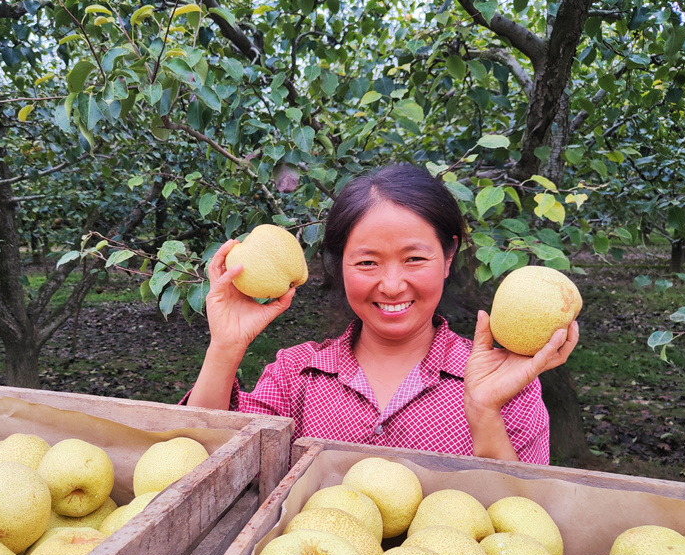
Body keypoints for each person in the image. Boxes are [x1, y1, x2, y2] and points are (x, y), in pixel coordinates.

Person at [186, 163, 579, 464]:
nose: (392, 285)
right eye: (368, 263)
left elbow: (524, 527)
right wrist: (225, 347)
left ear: (447, 256)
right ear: (341, 265)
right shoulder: (296, 376)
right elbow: (200, 467)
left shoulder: (506, 384)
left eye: (414, 259)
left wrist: (484, 411)